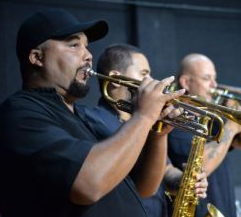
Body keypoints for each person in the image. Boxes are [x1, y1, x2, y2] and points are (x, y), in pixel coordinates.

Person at [0, 8, 185, 217]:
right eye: (74, 45)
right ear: (37, 57)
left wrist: (159, 133)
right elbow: (88, 185)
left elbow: (144, 188)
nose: (88, 56)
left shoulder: (84, 118)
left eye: (87, 47)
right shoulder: (19, 114)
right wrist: (143, 117)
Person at [80, 44, 208, 217]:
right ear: (115, 79)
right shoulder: (91, 120)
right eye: (144, 74)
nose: (151, 81)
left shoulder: (146, 122)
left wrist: (184, 180)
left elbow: (166, 170)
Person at [168, 53, 241, 217]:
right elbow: (198, 167)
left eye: (214, 78)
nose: (215, 85)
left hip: (224, 207)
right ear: (186, 82)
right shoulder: (176, 118)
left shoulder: (212, 117)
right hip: (200, 210)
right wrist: (231, 127)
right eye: (207, 78)